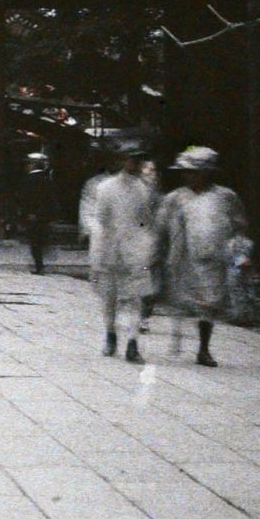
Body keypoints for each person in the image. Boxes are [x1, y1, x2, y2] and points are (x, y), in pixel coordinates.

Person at [154, 146, 249, 367]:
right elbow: (160, 228)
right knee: (180, 301)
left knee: (209, 303)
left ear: (206, 173)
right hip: (183, 258)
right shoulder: (175, 198)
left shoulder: (225, 197)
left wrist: (239, 254)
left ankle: (203, 348)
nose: (188, 176)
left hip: (213, 259)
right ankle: (176, 339)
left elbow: (239, 227)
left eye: (193, 172)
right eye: (185, 172)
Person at [86, 145, 158, 362]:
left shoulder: (144, 189)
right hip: (109, 249)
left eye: (138, 160)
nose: (135, 164)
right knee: (109, 298)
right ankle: (111, 335)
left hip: (136, 251)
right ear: (121, 161)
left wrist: (147, 245)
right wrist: (100, 251)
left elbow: (147, 220)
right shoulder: (105, 188)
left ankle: (132, 343)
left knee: (135, 299)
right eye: (131, 159)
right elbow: (101, 220)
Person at [17, 151, 57, 274]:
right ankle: (40, 265)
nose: (27, 166)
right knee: (40, 240)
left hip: (33, 215)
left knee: (34, 241)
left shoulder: (30, 179)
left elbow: (26, 199)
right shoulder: (47, 179)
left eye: (29, 164)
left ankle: (39, 266)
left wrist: (28, 213)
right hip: (44, 215)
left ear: (33, 164)